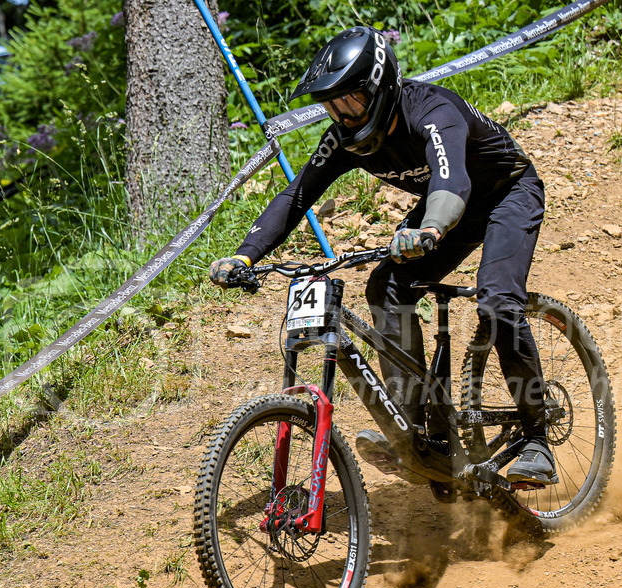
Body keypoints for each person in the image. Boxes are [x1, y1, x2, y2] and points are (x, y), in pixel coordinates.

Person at [209, 26, 556, 485]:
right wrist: (246, 256)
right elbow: (298, 196)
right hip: (448, 206)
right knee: (385, 285)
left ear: (380, 87)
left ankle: (536, 436)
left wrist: (430, 229)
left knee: (497, 301)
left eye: (350, 102)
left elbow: (452, 183)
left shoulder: (433, 112)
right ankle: (417, 431)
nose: (343, 115)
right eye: (332, 106)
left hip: (504, 192)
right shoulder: (343, 139)